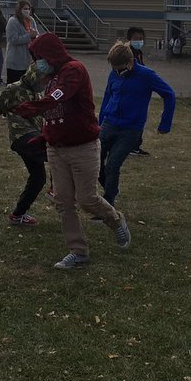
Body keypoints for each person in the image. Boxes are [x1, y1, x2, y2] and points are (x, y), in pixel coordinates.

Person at [13, 33, 131, 269]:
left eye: (40, 57)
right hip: (57, 149)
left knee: (87, 199)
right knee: (64, 202)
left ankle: (116, 221)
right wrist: (44, 137)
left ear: (51, 54)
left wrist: (32, 107)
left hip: (83, 147)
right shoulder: (51, 77)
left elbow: (59, 98)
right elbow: (54, 115)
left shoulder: (73, 70)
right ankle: (78, 252)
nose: (38, 63)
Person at [0, 60, 51, 226]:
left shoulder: (36, 94)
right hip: (23, 138)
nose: (45, 85)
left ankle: (18, 214)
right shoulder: (14, 90)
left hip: (33, 137)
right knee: (57, 155)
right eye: (44, 81)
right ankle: (61, 188)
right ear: (35, 77)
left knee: (38, 177)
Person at [97, 41, 175, 207]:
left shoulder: (146, 75)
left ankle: (108, 202)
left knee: (113, 164)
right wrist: (99, 123)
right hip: (109, 124)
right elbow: (107, 97)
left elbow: (169, 94)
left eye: (119, 68)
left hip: (130, 129)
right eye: (114, 68)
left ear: (130, 62)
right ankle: (110, 187)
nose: (117, 71)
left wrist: (165, 124)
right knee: (95, 161)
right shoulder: (114, 74)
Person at [124, 27, 152, 155]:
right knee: (134, 119)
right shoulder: (127, 53)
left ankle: (135, 144)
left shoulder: (138, 52)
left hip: (139, 90)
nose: (139, 41)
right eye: (136, 39)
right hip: (131, 91)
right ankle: (131, 146)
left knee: (139, 118)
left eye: (141, 39)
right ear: (129, 39)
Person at [5, 0, 39, 83]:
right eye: (25, 9)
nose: (27, 11)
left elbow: (35, 34)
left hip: (28, 60)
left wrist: (35, 37)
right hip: (15, 61)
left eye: (28, 9)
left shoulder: (31, 20)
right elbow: (13, 40)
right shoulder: (13, 21)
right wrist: (29, 36)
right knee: (13, 86)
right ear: (19, 9)